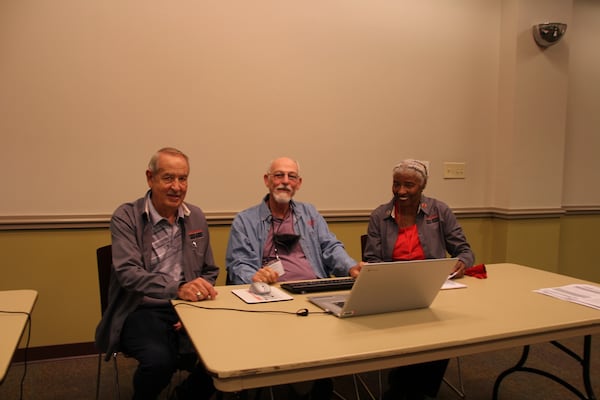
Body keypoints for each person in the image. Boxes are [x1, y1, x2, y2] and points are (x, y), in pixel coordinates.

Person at [226, 156, 362, 399]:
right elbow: (238, 264)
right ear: (267, 180)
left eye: (292, 177)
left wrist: (351, 267)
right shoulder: (244, 220)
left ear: (299, 183)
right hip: (273, 296)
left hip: (314, 290)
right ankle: (306, 386)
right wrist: (254, 275)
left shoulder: (309, 213)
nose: (285, 182)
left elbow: (330, 246)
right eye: (279, 175)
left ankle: (310, 383)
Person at [95, 147, 220, 400]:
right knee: (159, 361)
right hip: (140, 308)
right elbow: (128, 273)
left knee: (228, 350)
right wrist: (177, 290)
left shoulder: (195, 216)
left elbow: (209, 270)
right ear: (150, 178)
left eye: (182, 178)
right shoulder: (126, 216)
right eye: (168, 178)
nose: (177, 186)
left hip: (186, 305)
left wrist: (193, 301)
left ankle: (186, 394)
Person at [364, 159, 475, 400]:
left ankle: (407, 389)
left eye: (408, 185)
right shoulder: (380, 215)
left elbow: (465, 251)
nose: (401, 191)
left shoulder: (439, 211)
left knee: (443, 331)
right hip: (393, 287)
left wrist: (461, 263)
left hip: (433, 288)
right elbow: (371, 260)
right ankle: (409, 389)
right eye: (396, 184)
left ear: (422, 185)